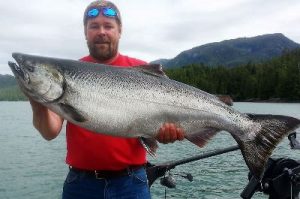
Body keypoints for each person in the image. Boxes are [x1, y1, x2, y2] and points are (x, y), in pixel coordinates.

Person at [28, 1, 185, 199]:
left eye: (108, 26)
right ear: (85, 32)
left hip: (131, 184)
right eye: (94, 26)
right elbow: (49, 132)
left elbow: (162, 122)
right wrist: (36, 101)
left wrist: (165, 132)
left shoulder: (143, 71)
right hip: (80, 185)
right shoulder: (67, 75)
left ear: (120, 31)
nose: (101, 31)